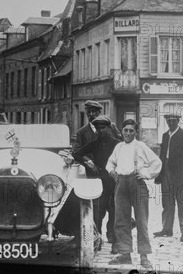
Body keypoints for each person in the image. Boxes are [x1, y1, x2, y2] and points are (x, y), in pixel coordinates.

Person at [106, 119, 162, 269]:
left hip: (137, 184)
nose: (128, 133)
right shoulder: (118, 147)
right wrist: (112, 172)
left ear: (136, 132)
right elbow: (110, 162)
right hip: (121, 185)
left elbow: (157, 162)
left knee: (141, 220)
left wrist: (146, 174)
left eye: (131, 130)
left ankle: (144, 256)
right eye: (126, 130)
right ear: (122, 131)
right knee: (121, 220)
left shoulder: (141, 146)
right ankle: (125, 254)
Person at [72, 115, 121, 252]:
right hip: (100, 181)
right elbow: (76, 153)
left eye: (103, 127)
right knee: (98, 211)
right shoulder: (94, 143)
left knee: (116, 210)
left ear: (109, 128)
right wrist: (88, 163)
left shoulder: (117, 143)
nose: (100, 130)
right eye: (98, 128)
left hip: (115, 180)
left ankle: (115, 242)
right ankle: (97, 239)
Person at [154, 114, 183, 242]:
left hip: (179, 175)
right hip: (166, 172)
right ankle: (166, 229)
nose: (171, 123)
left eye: (173, 120)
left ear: (178, 121)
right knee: (167, 203)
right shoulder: (165, 136)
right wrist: (160, 174)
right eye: (169, 121)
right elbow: (162, 156)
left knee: (182, 203)